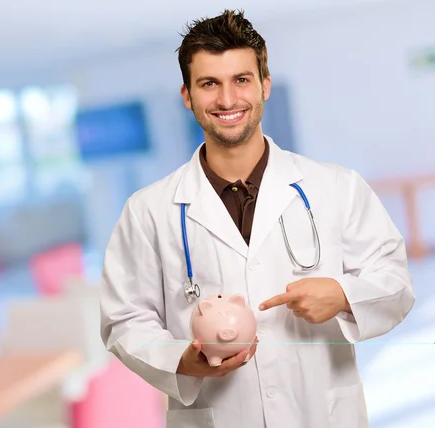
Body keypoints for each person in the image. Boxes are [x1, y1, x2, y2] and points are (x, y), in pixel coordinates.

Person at [99, 9, 414, 428]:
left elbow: (395, 282)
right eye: (209, 84)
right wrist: (184, 359)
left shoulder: (337, 187)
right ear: (187, 95)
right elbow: (123, 320)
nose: (227, 100)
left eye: (241, 80)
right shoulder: (148, 210)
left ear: (264, 85)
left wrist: (341, 294)